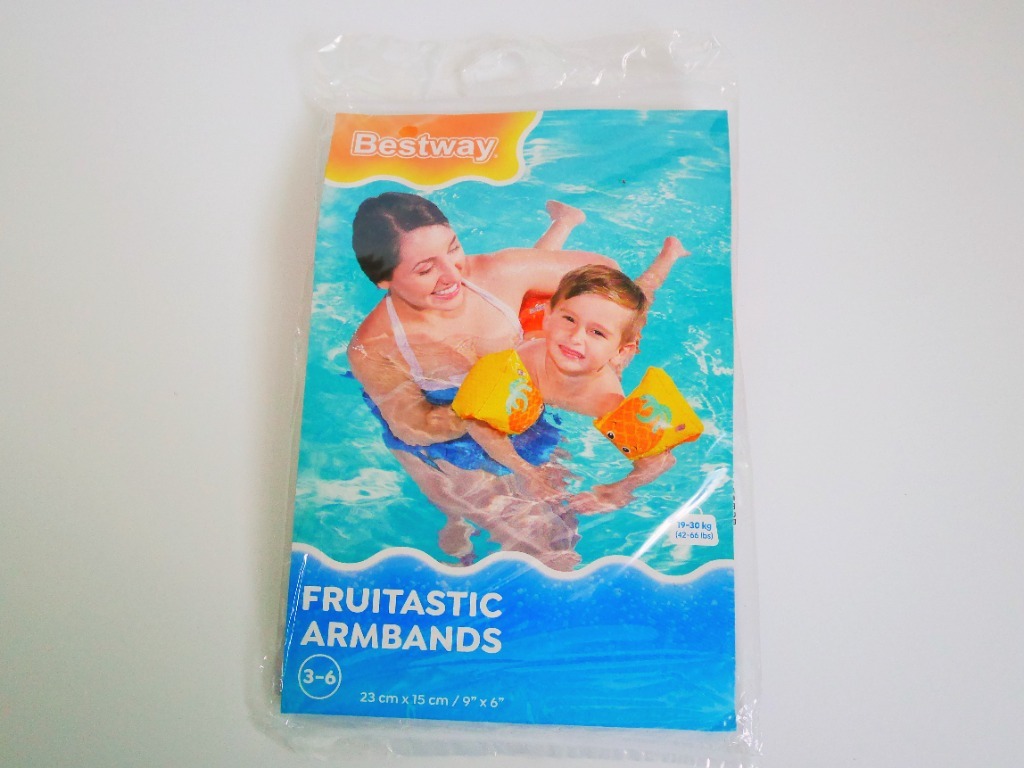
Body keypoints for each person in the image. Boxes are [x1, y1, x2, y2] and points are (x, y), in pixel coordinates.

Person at [346, 192, 610, 568]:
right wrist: (482, 410)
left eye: (453, 248)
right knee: (533, 541)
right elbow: (412, 426)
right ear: (384, 280)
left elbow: (605, 273)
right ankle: (456, 516)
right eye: (425, 270)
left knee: (561, 520)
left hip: (514, 397)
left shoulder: (495, 272)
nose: (453, 275)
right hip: (444, 429)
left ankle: (564, 221)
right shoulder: (375, 347)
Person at [457, 239, 689, 503]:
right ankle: (561, 230)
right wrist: (528, 472)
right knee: (535, 269)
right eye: (569, 320)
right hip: (536, 332)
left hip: (604, 364)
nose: (575, 337)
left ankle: (669, 255)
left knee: (641, 300)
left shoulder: (606, 401)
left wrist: (618, 490)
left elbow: (659, 461)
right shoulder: (522, 363)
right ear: (549, 317)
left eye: (596, 332)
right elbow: (480, 426)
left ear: (619, 349)